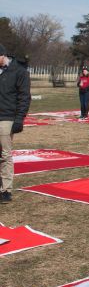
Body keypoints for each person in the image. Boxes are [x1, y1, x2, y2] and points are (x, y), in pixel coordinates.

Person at [0, 44, 31, 204]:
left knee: (5, 154)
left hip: (6, 117)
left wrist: (19, 119)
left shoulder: (19, 72)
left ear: (3, 55)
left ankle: (6, 190)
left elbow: (24, 97)